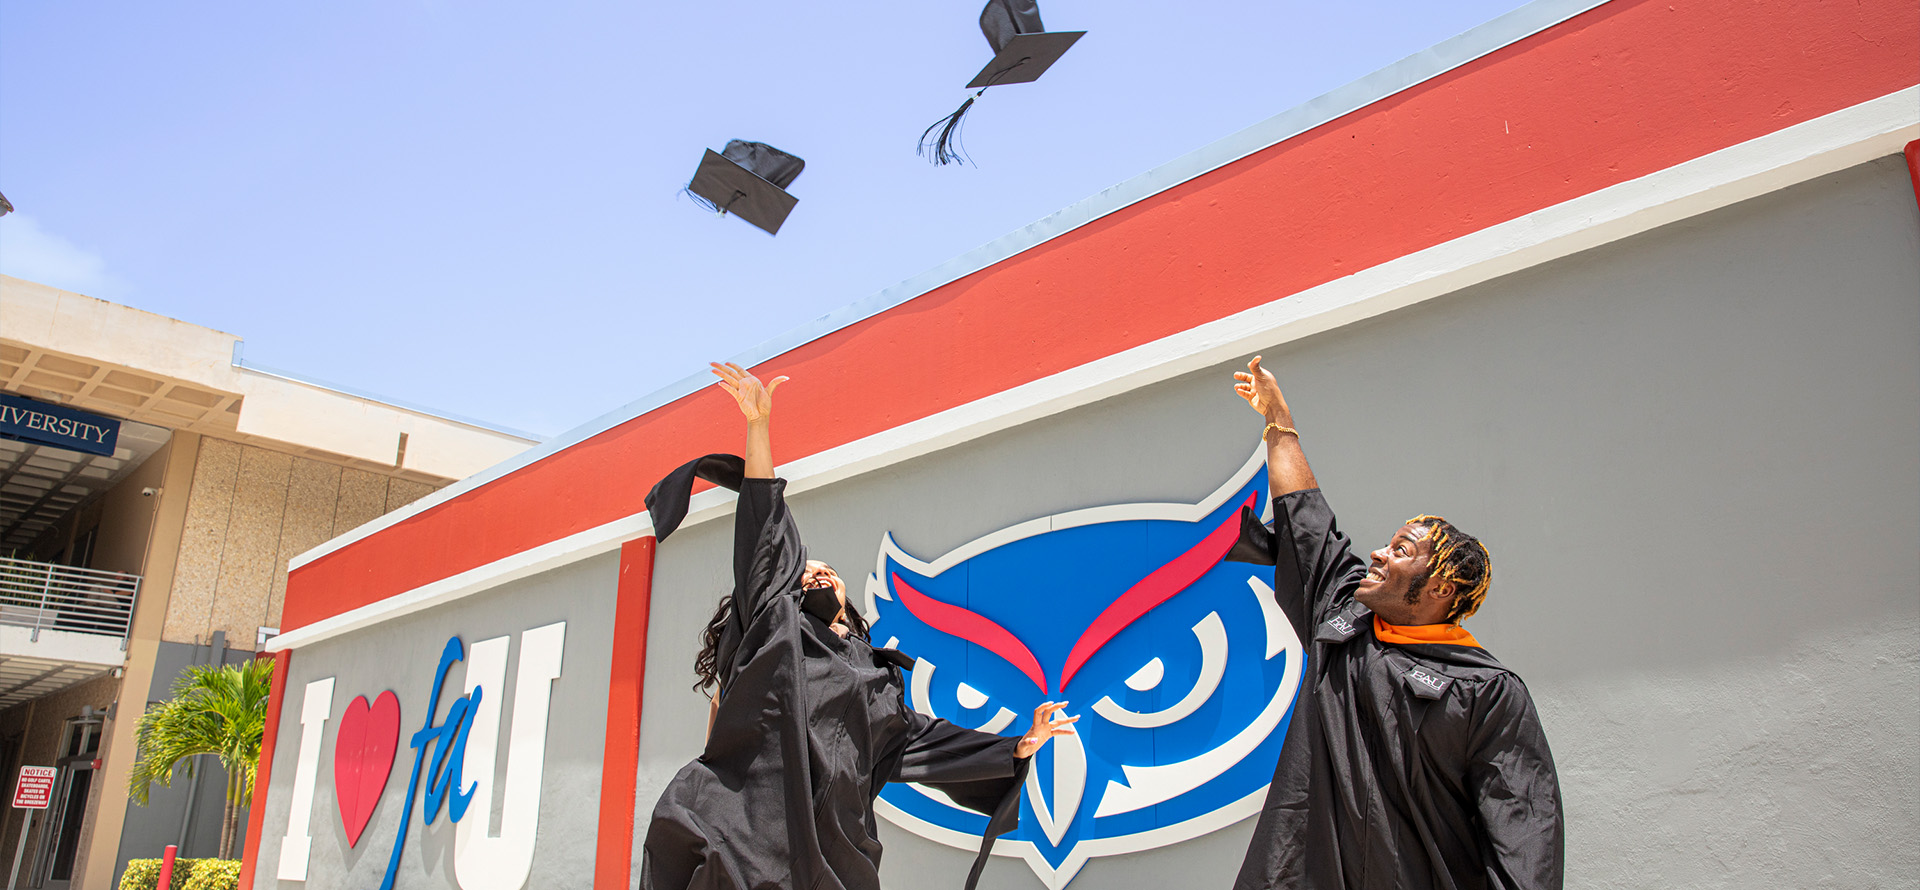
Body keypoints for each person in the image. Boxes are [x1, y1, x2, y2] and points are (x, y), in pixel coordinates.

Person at [640, 362, 1079, 890]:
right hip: (742, 839)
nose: (816, 570)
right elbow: (766, 532)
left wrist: (1015, 746)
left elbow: (925, 742)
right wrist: (758, 427)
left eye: (827, 568)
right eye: (803, 569)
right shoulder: (774, 629)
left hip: (833, 854)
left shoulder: (878, 683)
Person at [1225, 356, 1564, 890]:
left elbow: (1522, 837)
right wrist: (1278, 420)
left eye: (1401, 550)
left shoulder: (1486, 694)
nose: (1378, 553)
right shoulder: (1345, 622)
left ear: (1441, 589)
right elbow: (1307, 520)